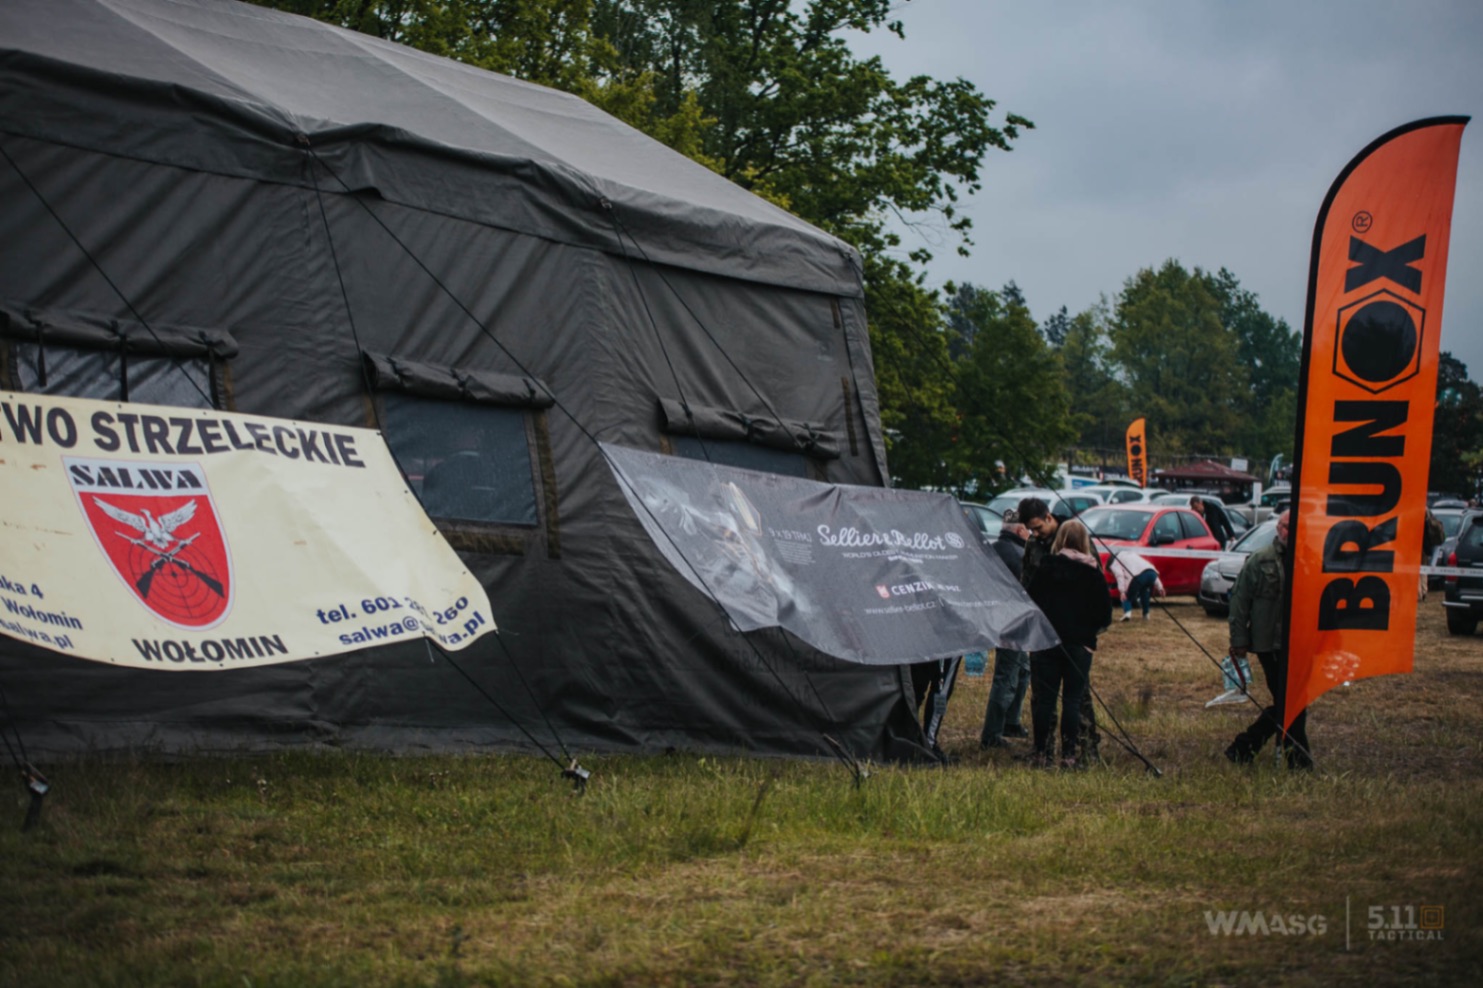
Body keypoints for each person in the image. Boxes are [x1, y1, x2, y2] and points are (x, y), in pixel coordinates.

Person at [1224, 510, 1313, 770]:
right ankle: (1298, 761)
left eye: (1295, 527)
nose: (1289, 532)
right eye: (1286, 526)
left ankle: (1243, 748)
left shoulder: (1309, 560)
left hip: (1299, 644)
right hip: (1269, 644)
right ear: (1278, 528)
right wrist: (1239, 640)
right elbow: (1239, 602)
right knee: (1290, 703)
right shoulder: (1260, 560)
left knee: (1291, 702)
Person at [1026, 519, 1112, 769]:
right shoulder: (1093, 574)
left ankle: (1041, 753)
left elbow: (1031, 601)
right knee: (1072, 701)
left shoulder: (1046, 568)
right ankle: (1069, 755)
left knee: (1046, 701)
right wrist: (1089, 633)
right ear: (1084, 542)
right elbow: (1105, 615)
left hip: (1048, 642)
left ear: (1060, 541)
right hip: (1079, 646)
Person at [981, 512, 1031, 747]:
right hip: (1013, 622)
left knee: (1022, 670)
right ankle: (992, 734)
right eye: (1029, 529)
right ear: (1020, 530)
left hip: (995, 618)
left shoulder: (992, 549)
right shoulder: (1019, 555)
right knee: (1006, 677)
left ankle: (1011, 721)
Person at [1107, 548, 1165, 621]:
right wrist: (1160, 588)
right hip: (1152, 573)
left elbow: (1120, 576)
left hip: (1137, 577)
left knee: (1127, 597)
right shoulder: (1132, 555)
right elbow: (1148, 568)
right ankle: (1146, 614)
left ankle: (1127, 614)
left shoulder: (1114, 563)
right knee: (1145, 592)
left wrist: (1122, 591)